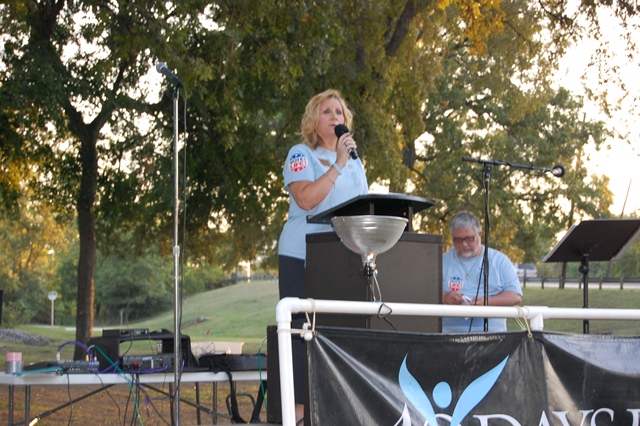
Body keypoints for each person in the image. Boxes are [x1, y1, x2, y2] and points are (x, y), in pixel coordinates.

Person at [278, 89, 368, 424]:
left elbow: (361, 210)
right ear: (314, 122)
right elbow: (306, 199)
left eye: (340, 112)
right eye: (327, 112)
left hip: (342, 260)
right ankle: (300, 415)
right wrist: (336, 166)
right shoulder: (301, 154)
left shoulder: (356, 162)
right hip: (302, 258)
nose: (335, 117)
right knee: (303, 335)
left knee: (339, 333)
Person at [441, 211, 523, 333]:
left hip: (492, 336)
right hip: (449, 334)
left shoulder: (499, 261)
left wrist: (487, 302)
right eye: (457, 240)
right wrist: (445, 296)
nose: (464, 244)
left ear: (479, 234)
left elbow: (515, 295)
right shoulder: (442, 260)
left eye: (469, 239)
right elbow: (424, 293)